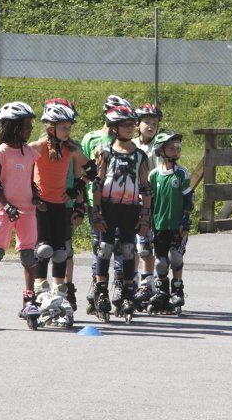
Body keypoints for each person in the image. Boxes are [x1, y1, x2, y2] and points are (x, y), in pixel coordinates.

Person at [0, 102, 43, 330]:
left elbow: (30, 182)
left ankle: (29, 299)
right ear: (14, 127)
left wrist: (36, 196)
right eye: (26, 125)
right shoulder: (2, 153)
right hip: (4, 211)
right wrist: (7, 207)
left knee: (28, 255)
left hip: (26, 210)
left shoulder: (30, 153)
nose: (30, 129)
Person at [28, 99, 94, 318]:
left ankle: (58, 295)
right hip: (42, 207)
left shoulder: (71, 149)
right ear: (51, 127)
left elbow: (92, 169)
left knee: (60, 253)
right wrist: (32, 193)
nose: (68, 131)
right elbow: (20, 167)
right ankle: (39, 293)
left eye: (69, 127)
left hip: (61, 206)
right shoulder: (37, 147)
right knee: (43, 250)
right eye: (63, 127)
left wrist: (76, 190)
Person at [91, 105, 152, 320]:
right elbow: (97, 184)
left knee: (128, 249)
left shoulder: (140, 156)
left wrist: (145, 216)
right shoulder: (104, 151)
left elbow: (145, 187)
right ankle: (101, 292)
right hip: (109, 207)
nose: (130, 128)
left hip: (130, 208)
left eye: (132, 124)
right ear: (114, 128)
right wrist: (96, 212)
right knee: (104, 248)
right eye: (125, 125)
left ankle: (127, 293)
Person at [81, 95, 131, 313]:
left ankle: (120, 287)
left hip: (120, 199)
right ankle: (98, 287)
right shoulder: (91, 138)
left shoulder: (124, 142)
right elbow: (83, 169)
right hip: (96, 199)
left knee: (120, 245)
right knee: (100, 246)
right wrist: (81, 199)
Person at [147, 131, 192, 313]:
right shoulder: (154, 175)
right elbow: (150, 202)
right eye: (171, 148)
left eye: (178, 148)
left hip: (177, 225)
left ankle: (177, 290)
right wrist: (146, 221)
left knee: (176, 257)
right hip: (159, 224)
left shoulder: (181, 173)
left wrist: (185, 220)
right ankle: (162, 293)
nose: (176, 151)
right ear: (161, 150)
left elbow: (188, 199)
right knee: (161, 262)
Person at [131, 103, 163, 307]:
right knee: (130, 244)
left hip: (152, 199)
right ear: (137, 124)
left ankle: (147, 283)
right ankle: (132, 280)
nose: (151, 126)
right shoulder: (131, 144)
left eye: (154, 123)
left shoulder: (159, 146)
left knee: (146, 245)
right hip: (131, 198)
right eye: (147, 122)